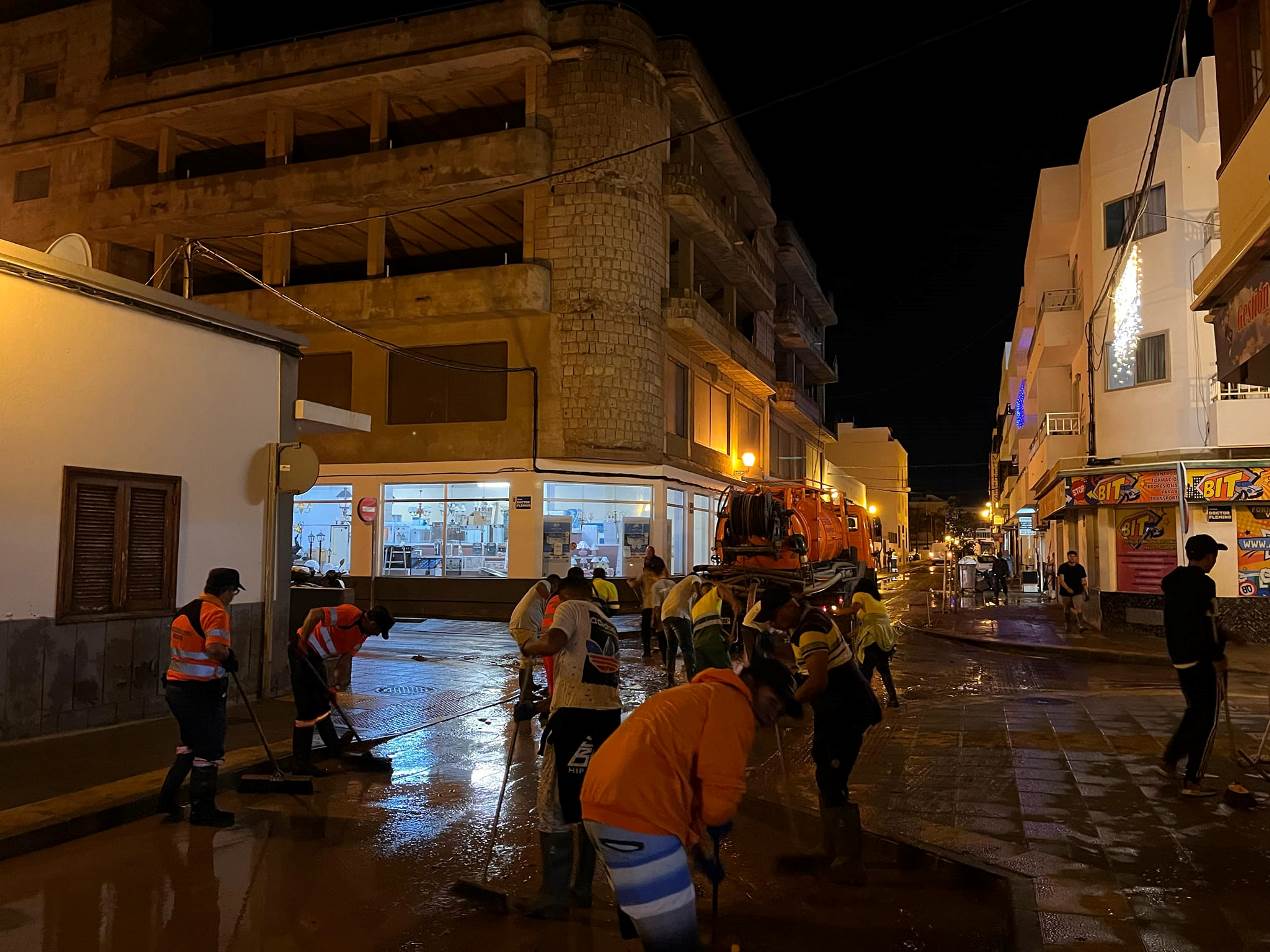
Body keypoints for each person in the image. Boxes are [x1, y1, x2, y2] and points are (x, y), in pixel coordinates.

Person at [582, 659, 801, 950]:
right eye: (773, 702)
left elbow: (686, 778)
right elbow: (718, 796)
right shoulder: (733, 706)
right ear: (750, 684)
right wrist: (720, 817)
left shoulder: (699, 696)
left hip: (602, 808)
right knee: (676, 943)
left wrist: (697, 852)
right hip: (639, 816)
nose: (773, 716)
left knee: (655, 928)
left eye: (780, 711)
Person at [756, 586, 881, 884]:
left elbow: (818, 681)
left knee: (832, 776)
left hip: (845, 710)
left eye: (774, 616)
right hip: (837, 710)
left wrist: (785, 706)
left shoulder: (809, 628)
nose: (773, 623)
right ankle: (832, 849)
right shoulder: (808, 620)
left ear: (788, 606)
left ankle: (849, 860)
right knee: (825, 769)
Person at [519, 573, 623, 918]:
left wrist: (529, 646)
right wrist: (535, 707)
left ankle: (553, 897)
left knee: (553, 804)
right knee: (587, 805)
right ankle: (581, 889)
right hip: (606, 720)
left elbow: (551, 643)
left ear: (562, 593)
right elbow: (585, 678)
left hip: (575, 722)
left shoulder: (570, 607)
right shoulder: (606, 622)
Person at [158, 568, 244, 827]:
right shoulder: (216, 613)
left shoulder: (185, 611)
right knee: (208, 749)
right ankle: (202, 810)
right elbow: (214, 648)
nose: (233, 596)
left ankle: (166, 798)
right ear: (227, 589)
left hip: (177, 689)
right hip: (201, 692)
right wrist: (229, 658)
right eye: (234, 591)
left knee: (190, 745)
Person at [1160, 534, 1229, 797]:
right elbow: (1206, 626)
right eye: (1214, 555)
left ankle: (1171, 756)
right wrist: (1218, 655)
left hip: (1180, 657)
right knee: (1207, 719)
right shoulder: (1204, 585)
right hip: (1201, 659)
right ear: (1209, 556)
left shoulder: (1173, 581)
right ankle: (1193, 779)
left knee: (1194, 710)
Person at [289, 602, 395, 775]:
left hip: (316, 658)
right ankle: (301, 763)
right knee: (307, 711)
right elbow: (314, 612)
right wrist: (302, 640)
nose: (377, 635)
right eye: (379, 631)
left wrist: (336, 686)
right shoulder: (349, 613)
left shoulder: (362, 635)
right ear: (373, 623)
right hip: (301, 652)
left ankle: (334, 747)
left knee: (323, 704)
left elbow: (344, 661)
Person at [842, 577, 900, 708]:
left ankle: (863, 703)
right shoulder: (876, 601)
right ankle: (893, 699)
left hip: (872, 639)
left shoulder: (859, 595)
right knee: (884, 670)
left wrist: (837, 612)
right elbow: (871, 621)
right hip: (884, 638)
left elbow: (854, 609)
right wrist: (854, 632)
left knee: (865, 672)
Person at [509, 575, 560, 719]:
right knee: (526, 660)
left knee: (529, 659)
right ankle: (525, 693)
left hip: (525, 625)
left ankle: (529, 686)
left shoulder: (540, 594)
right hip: (524, 625)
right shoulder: (544, 583)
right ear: (554, 583)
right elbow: (541, 588)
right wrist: (552, 594)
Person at [660, 574, 703, 687]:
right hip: (679, 615)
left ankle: (670, 680)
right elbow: (697, 586)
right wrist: (702, 597)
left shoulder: (678, 586)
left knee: (671, 649)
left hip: (665, 616)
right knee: (687, 648)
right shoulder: (694, 578)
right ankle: (692, 680)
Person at [691, 581, 739, 672]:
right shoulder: (711, 595)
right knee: (725, 672)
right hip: (712, 642)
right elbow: (720, 587)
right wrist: (734, 603)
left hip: (698, 645)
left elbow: (711, 625)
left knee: (704, 675)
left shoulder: (695, 608)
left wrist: (727, 636)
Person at [634, 556, 669, 658]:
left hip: (648, 606)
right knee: (660, 629)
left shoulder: (645, 575)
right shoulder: (662, 576)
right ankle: (665, 654)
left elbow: (634, 584)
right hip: (661, 606)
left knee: (646, 630)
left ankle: (647, 651)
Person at [1057, 550, 1089, 632]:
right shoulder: (1063, 567)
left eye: (1074, 556)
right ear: (1068, 557)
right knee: (1067, 608)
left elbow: (1083, 580)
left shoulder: (1080, 568)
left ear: (1076, 557)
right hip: (1065, 592)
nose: (1072, 558)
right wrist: (1067, 588)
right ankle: (1067, 624)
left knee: (1079, 608)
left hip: (1078, 591)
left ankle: (1081, 625)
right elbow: (1061, 580)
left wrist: (1086, 591)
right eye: (1070, 556)